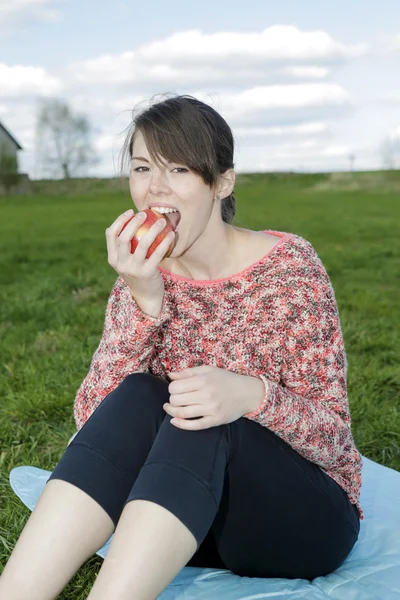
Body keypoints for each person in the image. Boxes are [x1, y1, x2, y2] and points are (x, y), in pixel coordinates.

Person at [0, 94, 363, 600]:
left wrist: (251, 396)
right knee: (142, 393)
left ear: (223, 182)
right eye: (143, 166)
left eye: (178, 169)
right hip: (191, 522)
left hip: (301, 524)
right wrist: (143, 302)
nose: (155, 188)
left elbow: (334, 439)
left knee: (200, 413)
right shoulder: (142, 273)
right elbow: (95, 424)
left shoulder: (290, 271)